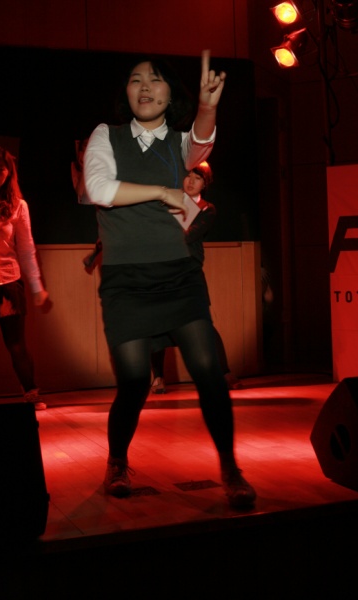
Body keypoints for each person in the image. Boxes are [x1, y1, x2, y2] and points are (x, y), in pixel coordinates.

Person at [83, 50, 256, 509]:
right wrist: (163, 191)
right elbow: (98, 189)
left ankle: (231, 468)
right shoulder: (106, 135)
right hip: (125, 280)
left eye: (155, 79)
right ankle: (117, 461)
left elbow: (200, 144)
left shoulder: (178, 143)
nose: (144, 87)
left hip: (178, 275)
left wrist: (208, 106)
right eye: (135, 79)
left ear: (169, 93)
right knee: (134, 380)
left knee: (208, 372)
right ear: (126, 92)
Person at [150, 161, 243, 394]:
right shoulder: (168, 201)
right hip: (162, 271)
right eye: (189, 176)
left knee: (203, 325)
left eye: (198, 178)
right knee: (158, 326)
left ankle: (224, 372)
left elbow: (187, 236)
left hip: (189, 272)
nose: (191, 181)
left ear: (205, 184)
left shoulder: (207, 208)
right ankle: (158, 377)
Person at [0, 146, 49, 410]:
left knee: (16, 345)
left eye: (0, 169)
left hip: (8, 282)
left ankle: (31, 393)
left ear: (9, 173)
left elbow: (26, 249)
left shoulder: (18, 205)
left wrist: (37, 287)